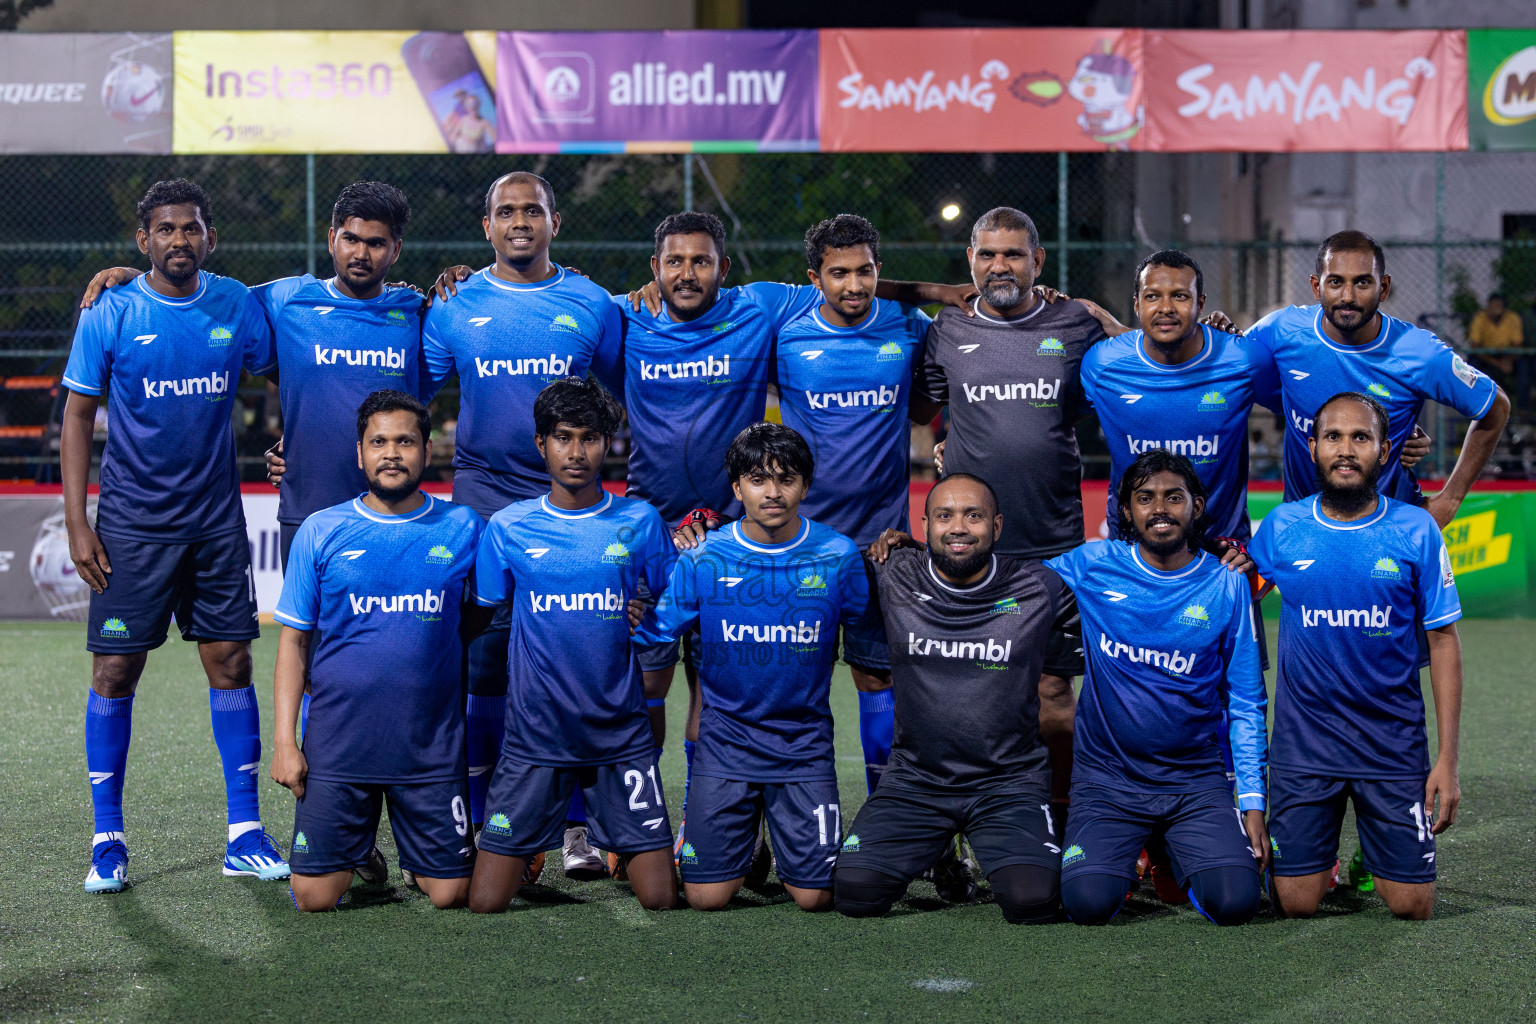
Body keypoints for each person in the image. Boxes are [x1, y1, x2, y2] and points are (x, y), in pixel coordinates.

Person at [61, 178, 288, 892]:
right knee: (114, 671)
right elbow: (76, 414)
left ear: (209, 238)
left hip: (215, 524)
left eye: (190, 229)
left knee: (230, 663)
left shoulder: (235, 304)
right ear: (143, 240)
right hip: (130, 527)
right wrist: (78, 521)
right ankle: (107, 838)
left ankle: (244, 832)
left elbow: (287, 366)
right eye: (165, 230)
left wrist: (290, 439)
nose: (178, 241)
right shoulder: (112, 310)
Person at [420, 171, 625, 876]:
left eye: (531, 210)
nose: (518, 222)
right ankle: (487, 823)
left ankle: (576, 829)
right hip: (483, 509)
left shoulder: (593, 303)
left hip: (572, 511)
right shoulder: (452, 303)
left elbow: (633, 391)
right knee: (483, 666)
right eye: (504, 211)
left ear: (553, 221)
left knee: (575, 658)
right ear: (486, 226)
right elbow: (405, 395)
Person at [908, 206, 1107, 839]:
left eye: (1014, 254)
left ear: (1038, 262)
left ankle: (1061, 821)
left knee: (1052, 691)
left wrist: (1106, 315)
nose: (1001, 266)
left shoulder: (1075, 325)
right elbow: (922, 409)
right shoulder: (947, 330)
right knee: (973, 692)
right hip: (969, 549)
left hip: (1053, 545)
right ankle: (967, 829)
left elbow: (1148, 361)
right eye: (988, 255)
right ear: (970, 262)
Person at [1249, 391, 1464, 920]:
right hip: (1304, 745)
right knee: (1294, 904)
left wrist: (1448, 761)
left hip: (1390, 744)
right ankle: (1322, 863)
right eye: (1333, 437)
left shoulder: (1416, 530)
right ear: (1312, 447)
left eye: (1360, 438)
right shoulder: (1281, 527)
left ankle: (1372, 850)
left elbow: (1444, 643)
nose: (1346, 450)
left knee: (1412, 906)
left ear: (1385, 450)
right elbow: (1235, 593)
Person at [467, 376, 678, 913]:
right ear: (542, 444)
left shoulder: (640, 520)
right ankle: (537, 845)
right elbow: (484, 608)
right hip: (536, 732)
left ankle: (616, 846)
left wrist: (646, 611)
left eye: (589, 437)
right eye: (563, 436)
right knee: (486, 901)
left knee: (659, 897)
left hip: (620, 731)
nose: (576, 451)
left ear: (609, 444)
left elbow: (671, 604)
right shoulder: (510, 528)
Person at [271, 391, 483, 910]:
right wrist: (283, 741)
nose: (392, 453)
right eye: (379, 442)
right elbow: (294, 644)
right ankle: (358, 847)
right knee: (314, 899)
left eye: (405, 441)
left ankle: (416, 859)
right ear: (360, 453)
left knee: (450, 895)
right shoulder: (321, 531)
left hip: (428, 750)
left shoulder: (465, 528)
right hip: (339, 748)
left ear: (427, 450)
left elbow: (481, 622)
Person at [833, 474, 1076, 924]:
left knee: (1033, 902)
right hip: (916, 782)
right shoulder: (893, 572)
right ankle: (939, 845)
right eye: (944, 516)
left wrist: (1213, 556)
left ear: (997, 526)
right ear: (923, 526)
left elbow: (1130, 587)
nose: (958, 527)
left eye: (973, 515)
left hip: (1008, 784)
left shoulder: (1040, 586)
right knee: (855, 894)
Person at [647, 422, 868, 911]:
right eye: (758, 480)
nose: (773, 493)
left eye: (786, 479)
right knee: (705, 897)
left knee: (816, 898)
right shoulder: (703, 558)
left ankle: (775, 822)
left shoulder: (838, 556)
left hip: (803, 744)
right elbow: (657, 633)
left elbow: (865, 627)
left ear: (805, 486)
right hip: (726, 744)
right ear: (736, 488)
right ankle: (745, 835)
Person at [1045, 450, 1268, 926]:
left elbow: (1248, 702)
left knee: (1237, 903)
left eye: (1173, 497)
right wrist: (923, 554)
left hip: (1194, 783)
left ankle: (1169, 845)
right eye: (1145, 498)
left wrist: (1252, 804)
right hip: (1108, 781)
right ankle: (1136, 850)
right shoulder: (1093, 564)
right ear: (1126, 510)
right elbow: (1008, 582)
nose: (1159, 509)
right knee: (1087, 905)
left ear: (1198, 505)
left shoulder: (1227, 583)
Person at [1245, 230, 1509, 527]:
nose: (1348, 296)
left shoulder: (1419, 353)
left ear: (1383, 288)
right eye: (1335, 282)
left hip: (1391, 536)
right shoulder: (1281, 331)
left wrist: (1450, 500)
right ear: (1316, 287)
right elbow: (1233, 375)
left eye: (1362, 282)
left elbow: (1495, 406)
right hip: (1302, 531)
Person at [1468, 292, 1527, 410]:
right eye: (1492, 305)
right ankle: (1474, 406)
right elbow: (1475, 346)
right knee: (1472, 366)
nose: (1495, 308)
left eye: (1498, 305)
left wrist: (1508, 360)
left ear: (1504, 307)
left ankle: (1522, 409)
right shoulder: (1480, 318)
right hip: (1486, 355)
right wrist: (1497, 363)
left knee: (1524, 368)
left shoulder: (1512, 318)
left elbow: (1517, 344)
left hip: (1508, 355)